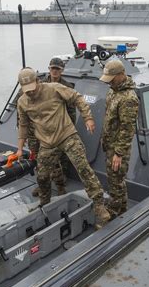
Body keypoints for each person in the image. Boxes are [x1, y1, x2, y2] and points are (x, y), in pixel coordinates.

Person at [16, 67, 111, 229]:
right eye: (26, 91)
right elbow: (23, 125)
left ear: (38, 82)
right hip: (47, 143)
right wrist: (19, 149)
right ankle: (44, 204)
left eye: (32, 89)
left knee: (84, 170)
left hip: (67, 136)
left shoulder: (54, 89)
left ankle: (100, 208)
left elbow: (77, 98)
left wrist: (88, 118)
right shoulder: (22, 102)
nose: (30, 93)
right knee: (43, 176)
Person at [30, 57, 76, 197]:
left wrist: (69, 128)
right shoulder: (41, 85)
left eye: (57, 69)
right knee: (41, 158)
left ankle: (61, 186)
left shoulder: (67, 87)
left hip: (59, 128)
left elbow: (71, 110)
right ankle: (43, 185)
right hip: (42, 128)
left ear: (62, 71)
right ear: (49, 69)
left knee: (59, 159)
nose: (54, 71)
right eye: (52, 68)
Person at [100, 60, 139, 219]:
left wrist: (119, 153)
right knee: (115, 178)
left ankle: (114, 212)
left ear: (121, 75)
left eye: (111, 78)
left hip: (118, 148)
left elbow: (127, 128)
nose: (108, 82)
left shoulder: (129, 98)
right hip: (110, 145)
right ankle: (122, 207)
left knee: (115, 180)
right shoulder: (113, 90)